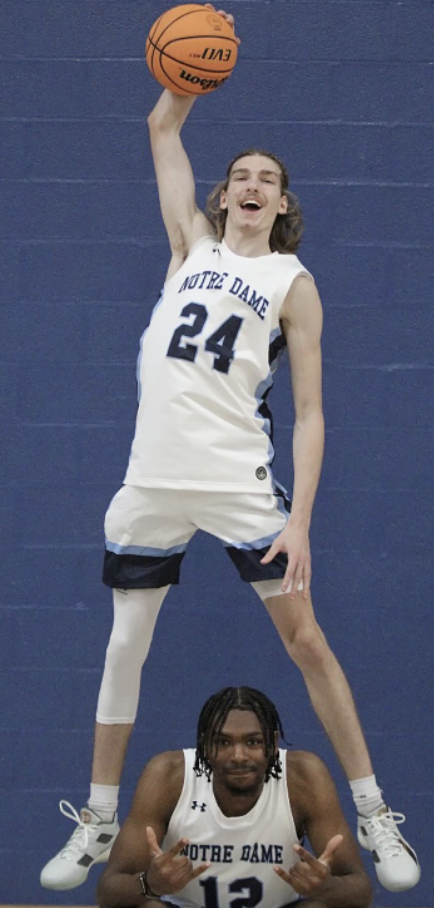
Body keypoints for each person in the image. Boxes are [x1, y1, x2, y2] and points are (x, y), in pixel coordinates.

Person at [40, 6, 420, 896]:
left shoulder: (292, 281)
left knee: (308, 644)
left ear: (283, 204)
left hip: (238, 480)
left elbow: (313, 412)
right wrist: (198, 54)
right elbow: (160, 124)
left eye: (269, 178)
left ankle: (375, 813)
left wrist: (303, 521)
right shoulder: (190, 247)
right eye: (239, 174)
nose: (251, 184)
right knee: (123, 645)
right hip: (151, 480)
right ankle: (98, 820)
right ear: (221, 195)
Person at [96, 685, 373, 908]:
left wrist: (327, 887)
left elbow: (361, 891)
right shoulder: (169, 775)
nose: (238, 756)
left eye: (252, 742)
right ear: (205, 744)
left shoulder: (302, 777)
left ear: (272, 744)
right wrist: (150, 883)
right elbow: (107, 892)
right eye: (223, 742)